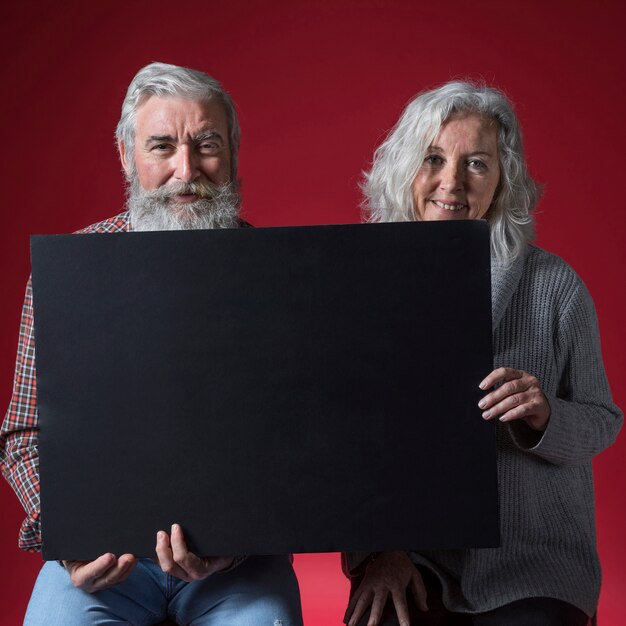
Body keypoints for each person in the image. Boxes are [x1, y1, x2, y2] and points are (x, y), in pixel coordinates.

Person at [0, 62, 303, 626]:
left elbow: (302, 435)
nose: (185, 170)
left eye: (206, 145)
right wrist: (68, 538)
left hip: (237, 565)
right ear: (126, 156)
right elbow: (21, 434)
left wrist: (236, 544)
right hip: (105, 563)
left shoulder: (280, 276)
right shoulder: (68, 276)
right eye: (162, 146)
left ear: (233, 153)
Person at [342, 82, 623, 626]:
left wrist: (545, 416)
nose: (452, 182)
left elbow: (603, 423)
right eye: (433, 159)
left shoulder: (555, 287)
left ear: (502, 178)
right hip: (415, 558)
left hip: (534, 564)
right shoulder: (362, 288)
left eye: (476, 162)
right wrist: (379, 554)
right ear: (404, 168)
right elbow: (347, 446)